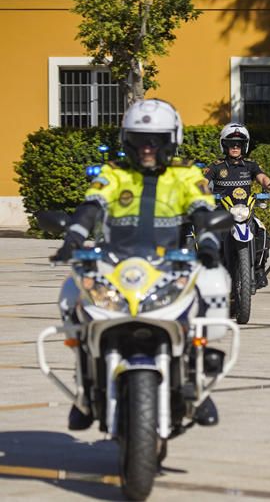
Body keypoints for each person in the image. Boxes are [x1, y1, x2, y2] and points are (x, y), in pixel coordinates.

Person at [52, 99, 224, 429]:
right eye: (139, 139)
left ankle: (197, 383)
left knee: (212, 285)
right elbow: (91, 207)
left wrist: (210, 245)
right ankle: (85, 388)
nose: (147, 147)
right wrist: (72, 239)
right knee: (71, 294)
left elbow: (203, 212)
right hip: (115, 262)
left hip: (170, 264)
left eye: (156, 140)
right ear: (126, 140)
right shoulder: (113, 173)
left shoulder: (186, 174)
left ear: (171, 140)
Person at [203, 123, 270, 289]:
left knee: (261, 231)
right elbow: (202, 182)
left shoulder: (250, 165)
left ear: (244, 146)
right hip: (221, 211)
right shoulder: (216, 166)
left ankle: (259, 269)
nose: (235, 147)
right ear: (224, 145)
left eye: (239, 144)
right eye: (231, 144)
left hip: (244, 211)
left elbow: (262, 178)